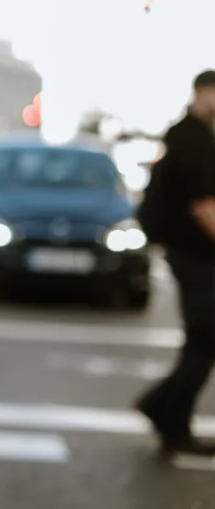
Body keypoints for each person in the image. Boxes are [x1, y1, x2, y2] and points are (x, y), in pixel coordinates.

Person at [135, 69, 215, 458]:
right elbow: (203, 206)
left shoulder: (193, 135)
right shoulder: (192, 137)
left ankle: (167, 414)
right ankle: (168, 416)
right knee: (205, 339)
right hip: (194, 254)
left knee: (202, 342)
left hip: (193, 254)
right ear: (202, 93)